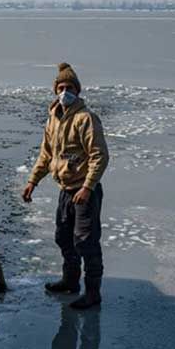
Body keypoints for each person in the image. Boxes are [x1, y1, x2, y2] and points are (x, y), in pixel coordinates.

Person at [22, 63, 109, 310]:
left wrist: (88, 187)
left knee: (86, 242)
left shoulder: (86, 119)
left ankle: (93, 293)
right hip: (65, 189)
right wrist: (32, 182)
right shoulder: (53, 119)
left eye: (69, 87)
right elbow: (45, 155)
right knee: (63, 237)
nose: (64, 91)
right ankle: (70, 281)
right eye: (60, 87)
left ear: (78, 91)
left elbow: (99, 156)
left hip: (84, 191)